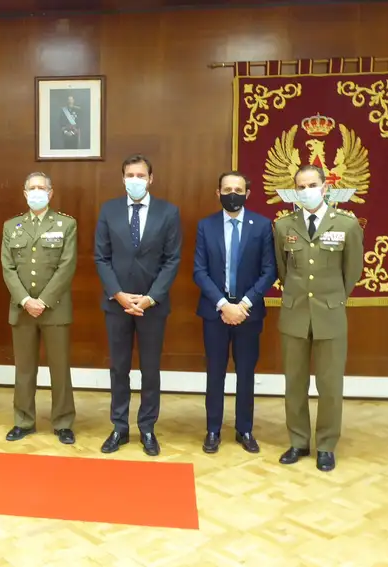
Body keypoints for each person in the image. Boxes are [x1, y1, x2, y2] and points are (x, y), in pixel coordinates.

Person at [274, 164, 364, 472]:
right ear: (295, 191)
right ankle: (298, 441)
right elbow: (283, 270)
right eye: (301, 186)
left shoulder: (347, 225)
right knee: (294, 383)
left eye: (312, 184)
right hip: (295, 313)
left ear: (325, 187)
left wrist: (331, 298)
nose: (307, 190)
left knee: (329, 384)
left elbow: (351, 272)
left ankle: (326, 444)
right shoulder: (284, 226)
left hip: (329, 315)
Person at [93, 154, 182, 456]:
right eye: (130, 175)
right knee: (119, 368)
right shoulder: (109, 210)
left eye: (140, 175)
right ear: (123, 179)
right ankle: (119, 427)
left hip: (152, 305)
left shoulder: (168, 212)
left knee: (150, 369)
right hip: (116, 304)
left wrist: (150, 297)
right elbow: (101, 257)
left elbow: (172, 260)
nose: (135, 180)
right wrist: (118, 294)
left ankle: (147, 428)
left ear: (150, 179)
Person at [193, 171, 276, 454]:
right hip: (215, 312)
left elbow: (269, 271)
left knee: (246, 373)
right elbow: (199, 271)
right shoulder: (206, 226)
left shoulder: (263, 226)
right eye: (227, 189)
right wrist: (223, 304)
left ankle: (245, 429)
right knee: (215, 372)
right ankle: (213, 429)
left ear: (247, 193)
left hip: (248, 313)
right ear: (218, 193)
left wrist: (243, 305)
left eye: (238, 189)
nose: (232, 193)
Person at [0, 172, 77, 444]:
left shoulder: (66, 224)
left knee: (60, 367)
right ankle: (23, 420)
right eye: (31, 188)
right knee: (24, 369)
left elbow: (67, 266)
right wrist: (25, 300)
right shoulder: (12, 226)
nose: (36, 192)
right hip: (21, 309)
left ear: (50, 193)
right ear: (24, 193)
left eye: (41, 188)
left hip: (54, 308)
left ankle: (63, 422)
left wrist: (42, 301)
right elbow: (7, 268)